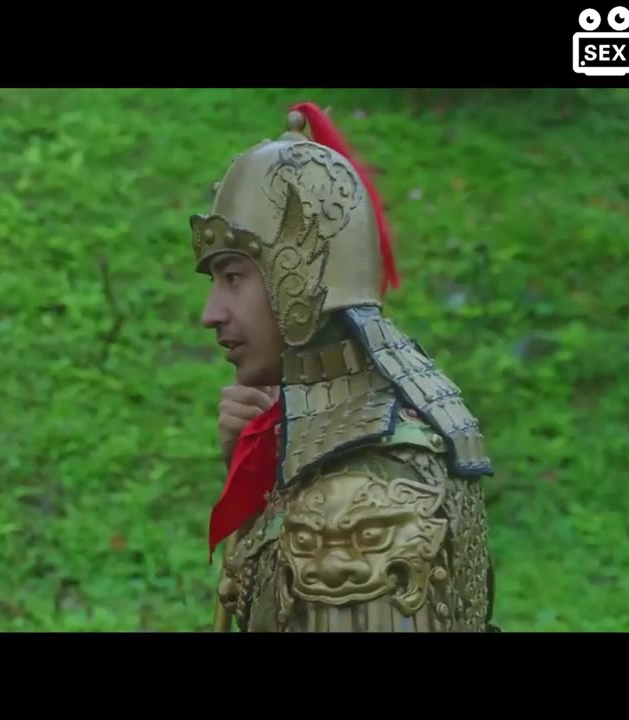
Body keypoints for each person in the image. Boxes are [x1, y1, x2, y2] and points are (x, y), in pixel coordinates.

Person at [195, 102, 499, 632]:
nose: (211, 313)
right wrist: (257, 478)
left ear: (301, 277)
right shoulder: (360, 428)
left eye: (233, 277)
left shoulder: (355, 504)